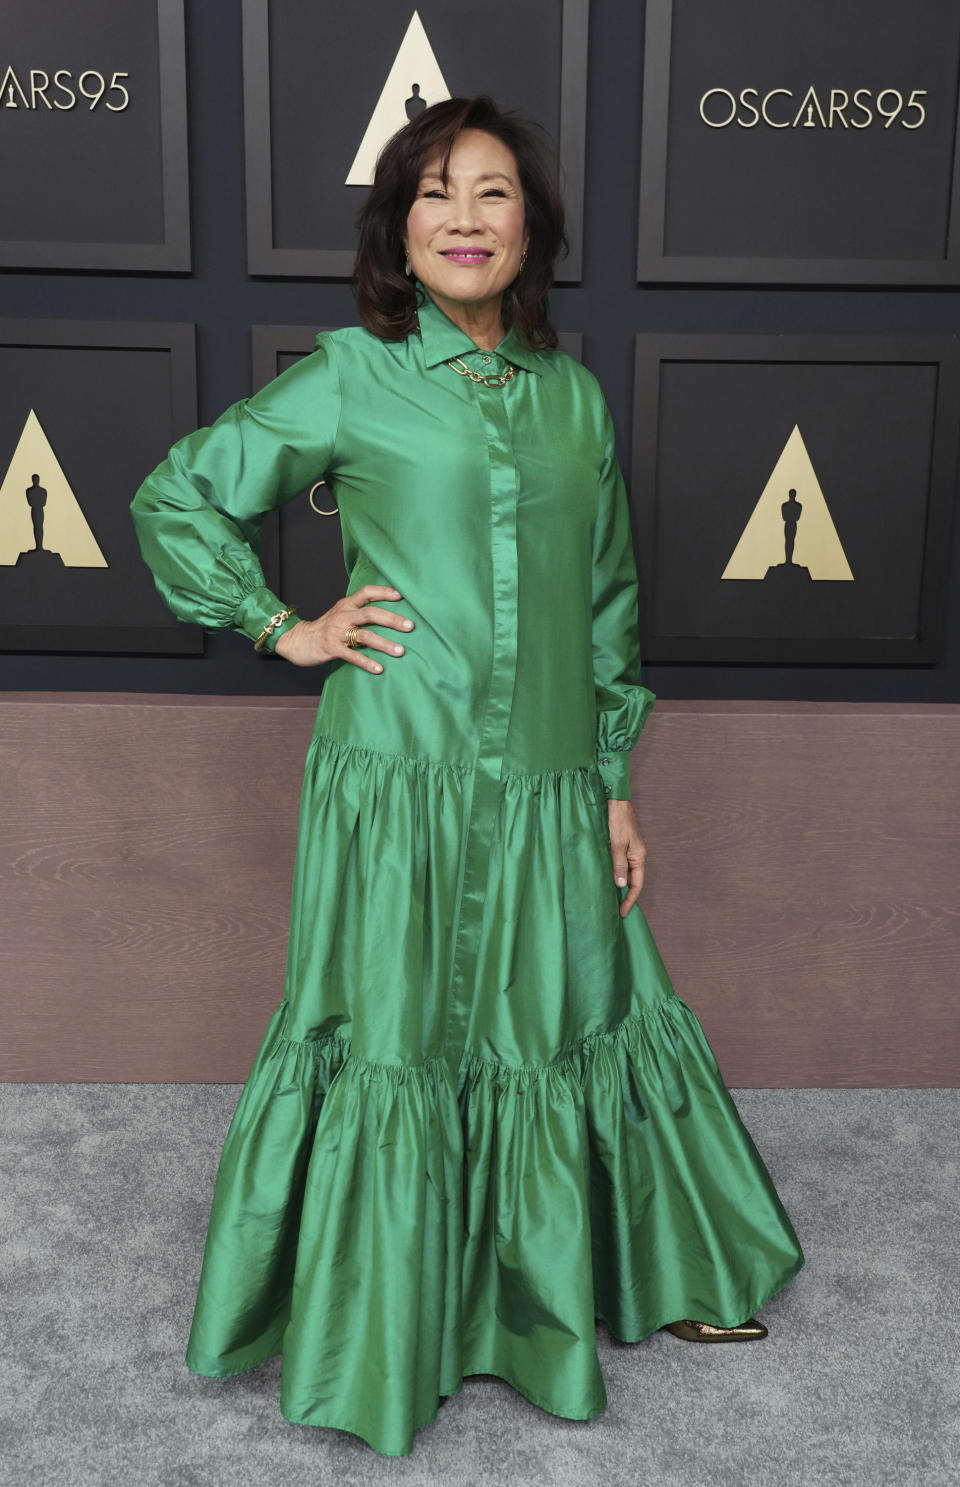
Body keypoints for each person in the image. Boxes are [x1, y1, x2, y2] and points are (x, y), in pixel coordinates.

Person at [129, 94, 805, 1458]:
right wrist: (286, 628)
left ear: (531, 225)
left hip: (554, 781)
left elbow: (608, 605)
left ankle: (638, 1275)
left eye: (493, 193)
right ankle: (384, 1319)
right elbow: (178, 493)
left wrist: (613, 779)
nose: (465, 218)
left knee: (578, 1018)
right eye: (436, 193)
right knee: (397, 1034)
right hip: (401, 782)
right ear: (399, 225)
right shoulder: (348, 375)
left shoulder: (574, 397)